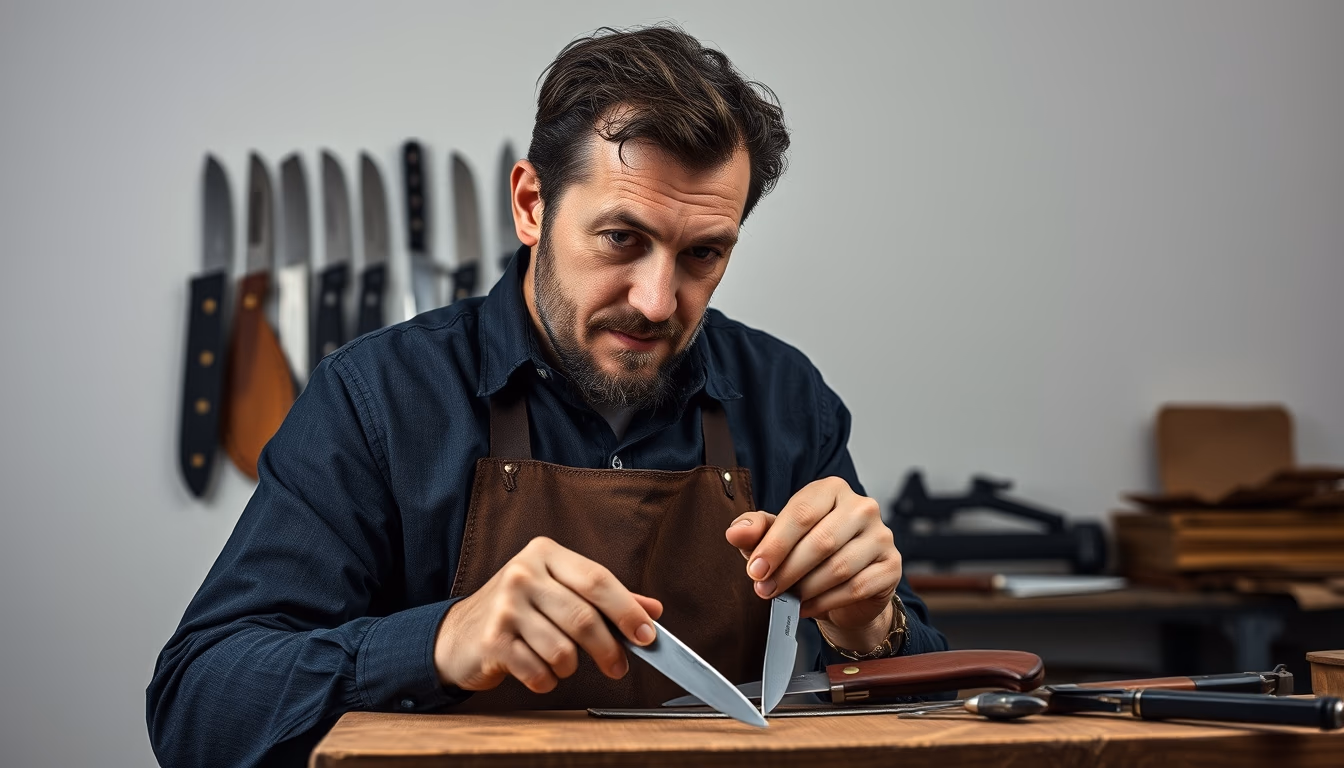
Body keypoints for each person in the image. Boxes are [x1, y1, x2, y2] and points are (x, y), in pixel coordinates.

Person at [148, 24, 948, 768]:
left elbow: (940, 703)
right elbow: (195, 704)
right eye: (620, 240)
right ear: (532, 204)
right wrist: (434, 643)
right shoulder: (379, 400)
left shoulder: (784, 398)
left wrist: (871, 629)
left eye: (704, 254)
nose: (659, 301)